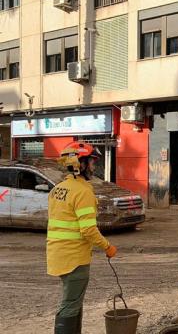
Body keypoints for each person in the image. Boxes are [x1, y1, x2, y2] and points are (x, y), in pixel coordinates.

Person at [47, 141, 117, 334]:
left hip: (58, 254)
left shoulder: (57, 189)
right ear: (80, 164)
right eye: (92, 162)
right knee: (70, 303)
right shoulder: (83, 191)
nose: (94, 166)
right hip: (74, 257)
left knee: (74, 301)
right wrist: (107, 246)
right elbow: (88, 230)